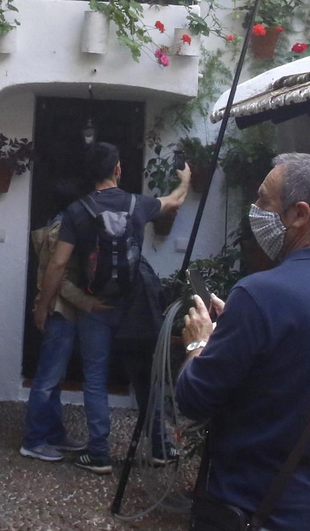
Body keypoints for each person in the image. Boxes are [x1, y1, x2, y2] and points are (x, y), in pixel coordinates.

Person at [177, 153, 310, 531]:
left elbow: (193, 400)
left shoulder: (259, 294)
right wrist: (238, 331)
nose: (255, 212)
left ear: (299, 214)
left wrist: (200, 344)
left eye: (264, 202)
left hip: (267, 518)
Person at [32, 141, 191, 474]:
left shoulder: (78, 211)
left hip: (96, 308)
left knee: (95, 379)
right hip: (135, 308)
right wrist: (186, 178)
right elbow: (176, 200)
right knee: (147, 376)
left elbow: (58, 264)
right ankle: (160, 447)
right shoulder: (138, 204)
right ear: (118, 169)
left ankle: (100, 454)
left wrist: (43, 306)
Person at [20, 180, 104, 461]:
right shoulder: (60, 232)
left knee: (55, 378)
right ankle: (33, 441)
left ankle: (54, 434)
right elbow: (59, 280)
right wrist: (88, 303)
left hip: (61, 310)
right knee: (46, 379)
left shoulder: (58, 225)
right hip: (60, 310)